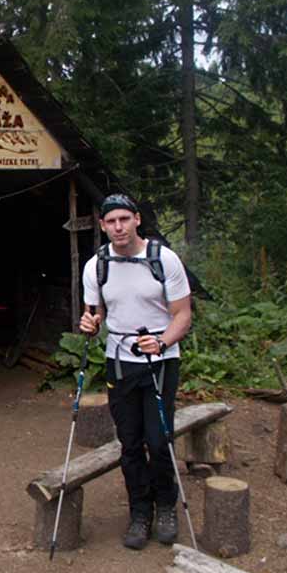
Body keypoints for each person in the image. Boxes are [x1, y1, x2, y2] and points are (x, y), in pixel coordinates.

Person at [79, 193, 192, 550]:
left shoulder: (163, 260)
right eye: (111, 222)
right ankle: (139, 512)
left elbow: (183, 315)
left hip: (160, 361)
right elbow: (93, 315)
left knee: (158, 441)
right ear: (102, 226)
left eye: (124, 219)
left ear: (137, 220)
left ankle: (166, 507)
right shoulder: (97, 265)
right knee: (129, 443)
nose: (118, 227)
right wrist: (90, 324)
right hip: (118, 360)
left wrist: (161, 342)